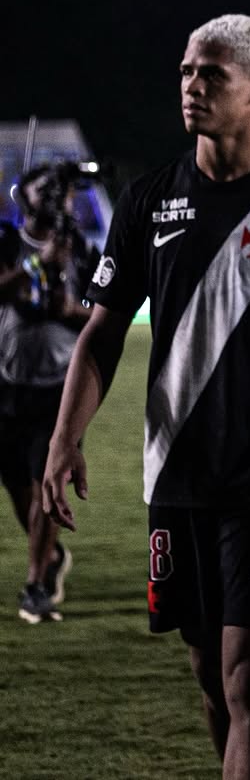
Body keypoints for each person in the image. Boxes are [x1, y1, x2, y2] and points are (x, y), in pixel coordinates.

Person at [41, 13, 250, 779]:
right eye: (187, 72)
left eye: (212, 74)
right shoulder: (149, 202)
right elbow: (100, 334)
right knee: (209, 674)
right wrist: (65, 438)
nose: (192, 86)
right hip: (177, 471)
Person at [0, 163, 96, 622]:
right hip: (7, 382)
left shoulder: (82, 250)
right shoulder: (7, 241)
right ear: (26, 195)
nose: (60, 198)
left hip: (60, 386)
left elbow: (105, 317)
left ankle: (36, 583)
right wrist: (37, 265)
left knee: (47, 481)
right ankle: (50, 555)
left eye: (67, 191)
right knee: (17, 482)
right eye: (50, 189)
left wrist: (70, 310)